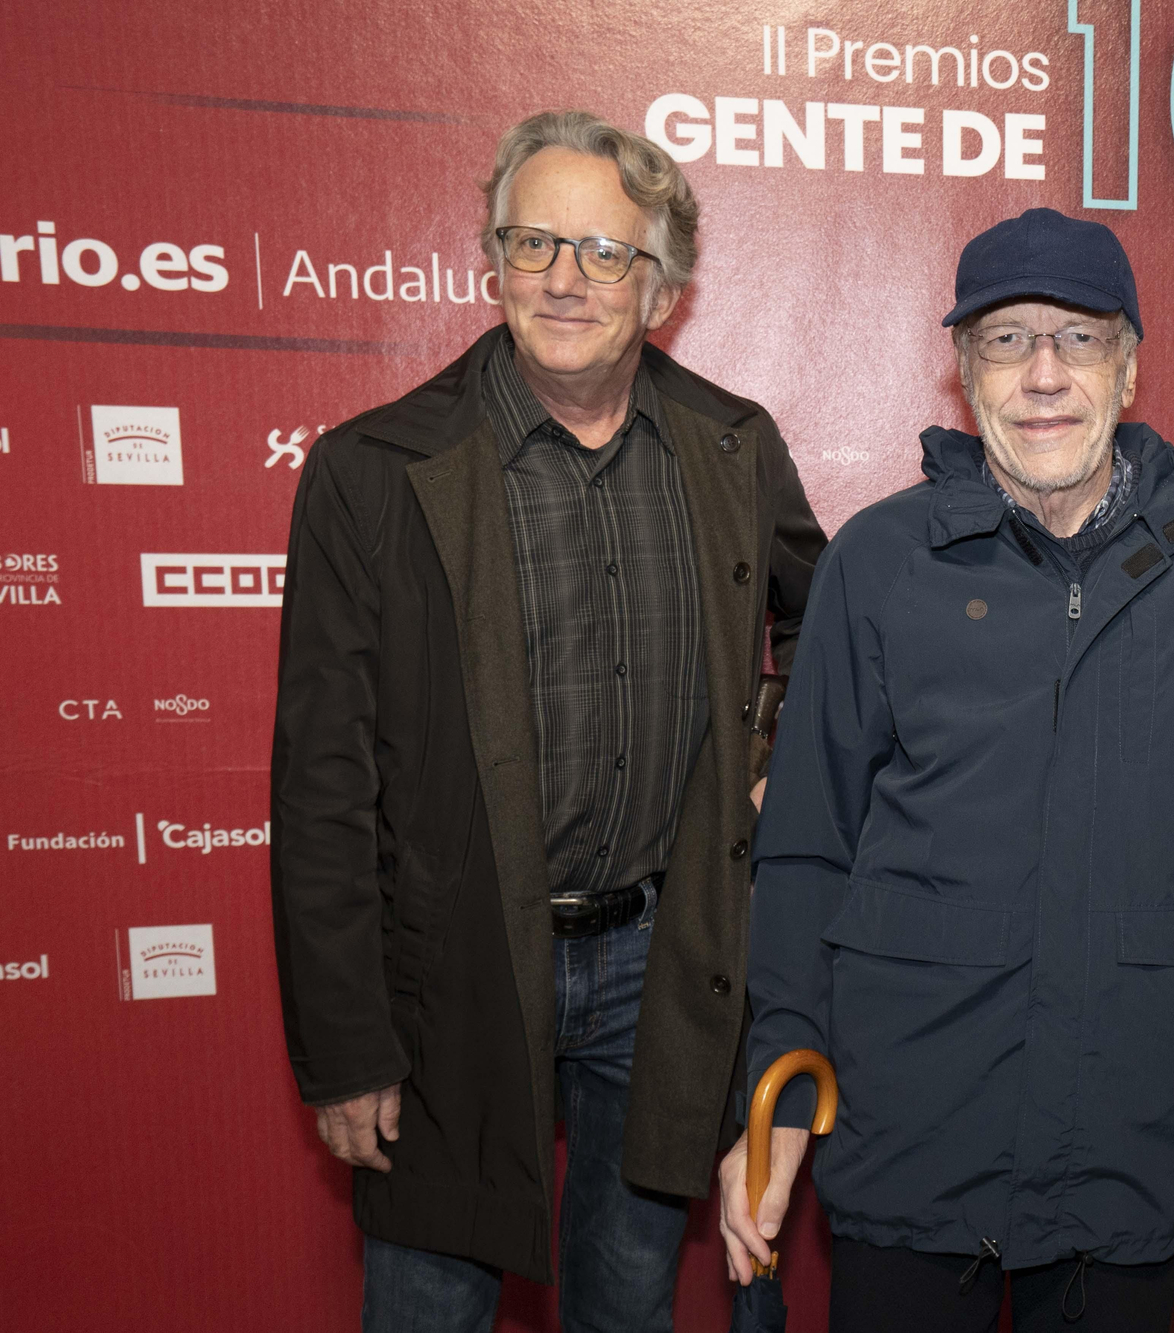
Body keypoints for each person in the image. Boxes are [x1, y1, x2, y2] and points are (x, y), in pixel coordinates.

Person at [270, 110, 825, 1331]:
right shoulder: (372, 471)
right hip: (450, 971)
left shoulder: (731, 448)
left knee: (627, 1299)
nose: (563, 280)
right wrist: (347, 1045)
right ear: (491, 257)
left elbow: (831, 622)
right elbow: (318, 784)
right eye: (532, 243)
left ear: (663, 287)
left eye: (602, 252)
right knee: (429, 1296)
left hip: (658, 965)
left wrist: (780, 757)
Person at [720, 207, 1174, 1332]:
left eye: (1078, 338)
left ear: (1128, 365)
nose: (1043, 373)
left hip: (1135, 1123)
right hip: (911, 1124)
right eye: (1005, 339)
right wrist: (779, 1083)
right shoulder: (877, 562)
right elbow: (804, 847)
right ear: (960, 369)